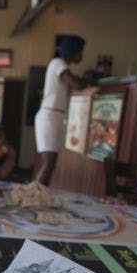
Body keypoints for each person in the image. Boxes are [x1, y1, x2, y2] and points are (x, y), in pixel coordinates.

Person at [33, 35, 88, 186]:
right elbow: (77, 85)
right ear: (74, 51)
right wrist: (89, 78)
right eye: (80, 52)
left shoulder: (60, 65)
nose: (81, 56)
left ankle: (37, 194)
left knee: (50, 164)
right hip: (49, 116)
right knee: (48, 164)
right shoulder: (58, 63)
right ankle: (34, 195)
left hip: (54, 116)